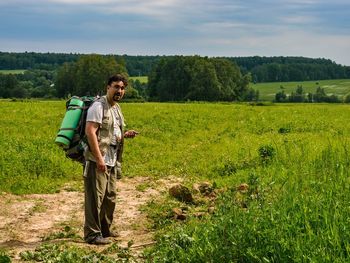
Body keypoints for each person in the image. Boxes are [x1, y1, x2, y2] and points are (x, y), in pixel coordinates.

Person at [83, 73, 138, 245]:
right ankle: (92, 235)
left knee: (110, 196)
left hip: (113, 159)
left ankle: (105, 230)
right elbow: (90, 131)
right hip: (97, 159)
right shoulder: (98, 106)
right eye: (116, 86)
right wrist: (99, 159)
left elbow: (112, 133)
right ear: (108, 87)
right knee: (95, 198)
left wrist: (124, 135)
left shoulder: (116, 108)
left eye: (122, 88)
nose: (119, 90)